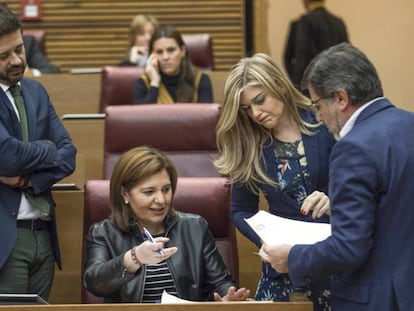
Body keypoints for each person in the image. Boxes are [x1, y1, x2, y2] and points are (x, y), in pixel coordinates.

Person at [260, 42, 414, 310]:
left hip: (379, 299)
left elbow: (348, 247)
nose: (318, 116)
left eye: (318, 105)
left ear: (341, 98)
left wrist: (292, 257)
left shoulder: (353, 147)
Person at [214, 53, 336, 310]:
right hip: (283, 271)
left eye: (260, 100)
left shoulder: (323, 121)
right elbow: (240, 211)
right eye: (247, 108)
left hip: (335, 262)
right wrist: (267, 241)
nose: (256, 113)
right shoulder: (249, 144)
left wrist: (335, 198)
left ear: (279, 84)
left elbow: (359, 182)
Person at [83, 146, 251, 303]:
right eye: (149, 192)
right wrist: (134, 258)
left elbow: (220, 281)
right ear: (125, 194)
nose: (162, 200)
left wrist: (228, 297)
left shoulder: (194, 227)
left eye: (166, 189)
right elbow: (94, 283)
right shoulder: (103, 232)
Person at [0, 4, 77, 301]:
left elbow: (68, 154)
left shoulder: (36, 91)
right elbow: (6, 155)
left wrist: (26, 181)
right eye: (4, 56)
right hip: (7, 238)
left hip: (43, 234)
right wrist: (47, 149)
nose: (17, 60)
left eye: (19, 48)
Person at [132, 24, 213, 104]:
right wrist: (154, 83)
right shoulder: (143, 83)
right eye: (159, 52)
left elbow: (206, 115)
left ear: (183, 51)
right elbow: (142, 116)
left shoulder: (200, 80)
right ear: (152, 56)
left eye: (171, 50)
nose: (165, 57)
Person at [285, 0, 348, 87]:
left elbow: (301, 56)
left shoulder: (304, 22)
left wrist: (298, 84)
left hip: (311, 86)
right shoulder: (338, 23)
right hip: (336, 85)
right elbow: (347, 56)